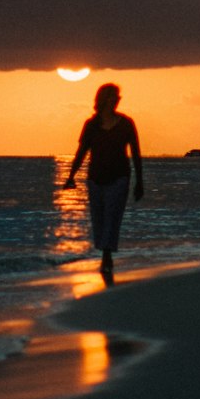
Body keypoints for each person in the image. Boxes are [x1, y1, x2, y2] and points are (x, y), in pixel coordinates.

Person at [64, 83, 144, 277]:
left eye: (118, 96)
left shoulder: (126, 124)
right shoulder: (91, 125)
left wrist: (139, 182)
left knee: (112, 217)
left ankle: (107, 256)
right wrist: (71, 176)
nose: (118, 99)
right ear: (104, 100)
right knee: (99, 220)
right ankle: (105, 252)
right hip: (95, 179)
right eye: (114, 96)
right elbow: (82, 151)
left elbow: (135, 153)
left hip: (119, 178)